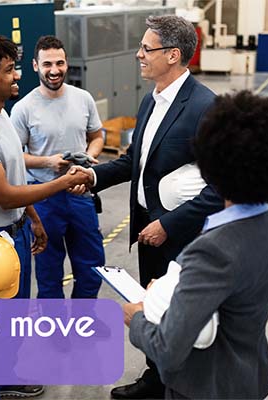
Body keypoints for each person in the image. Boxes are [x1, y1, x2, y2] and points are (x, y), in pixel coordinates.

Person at [72, 15, 224, 398]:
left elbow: (221, 188)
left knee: (181, 315)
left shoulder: (205, 107)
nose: (138, 54)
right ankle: (156, 380)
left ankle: (182, 386)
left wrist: (169, 224)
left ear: (174, 55)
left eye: (147, 48)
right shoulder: (151, 99)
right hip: (147, 230)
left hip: (181, 237)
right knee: (152, 307)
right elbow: (134, 161)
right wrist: (92, 177)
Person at [124, 90, 268, 399]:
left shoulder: (211, 249)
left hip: (206, 388)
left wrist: (136, 317)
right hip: (252, 380)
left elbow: (167, 350)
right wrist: (179, 293)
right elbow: (265, 300)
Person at [0, 34, 92, 400]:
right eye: (9, 70)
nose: (16, 76)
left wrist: (33, 219)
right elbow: (4, 193)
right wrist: (62, 182)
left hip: (14, 233)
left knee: (11, 321)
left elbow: (15, 180)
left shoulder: (1, 117)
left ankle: (7, 376)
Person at [10, 35, 105, 300]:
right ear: (34, 66)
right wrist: (47, 161)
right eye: (47, 64)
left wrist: (88, 157)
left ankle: (82, 320)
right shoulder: (23, 109)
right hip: (44, 197)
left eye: (60, 63)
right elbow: (14, 156)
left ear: (66, 64)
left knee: (91, 265)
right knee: (49, 270)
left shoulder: (83, 98)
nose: (54, 70)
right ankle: (54, 330)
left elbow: (97, 137)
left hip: (79, 193)